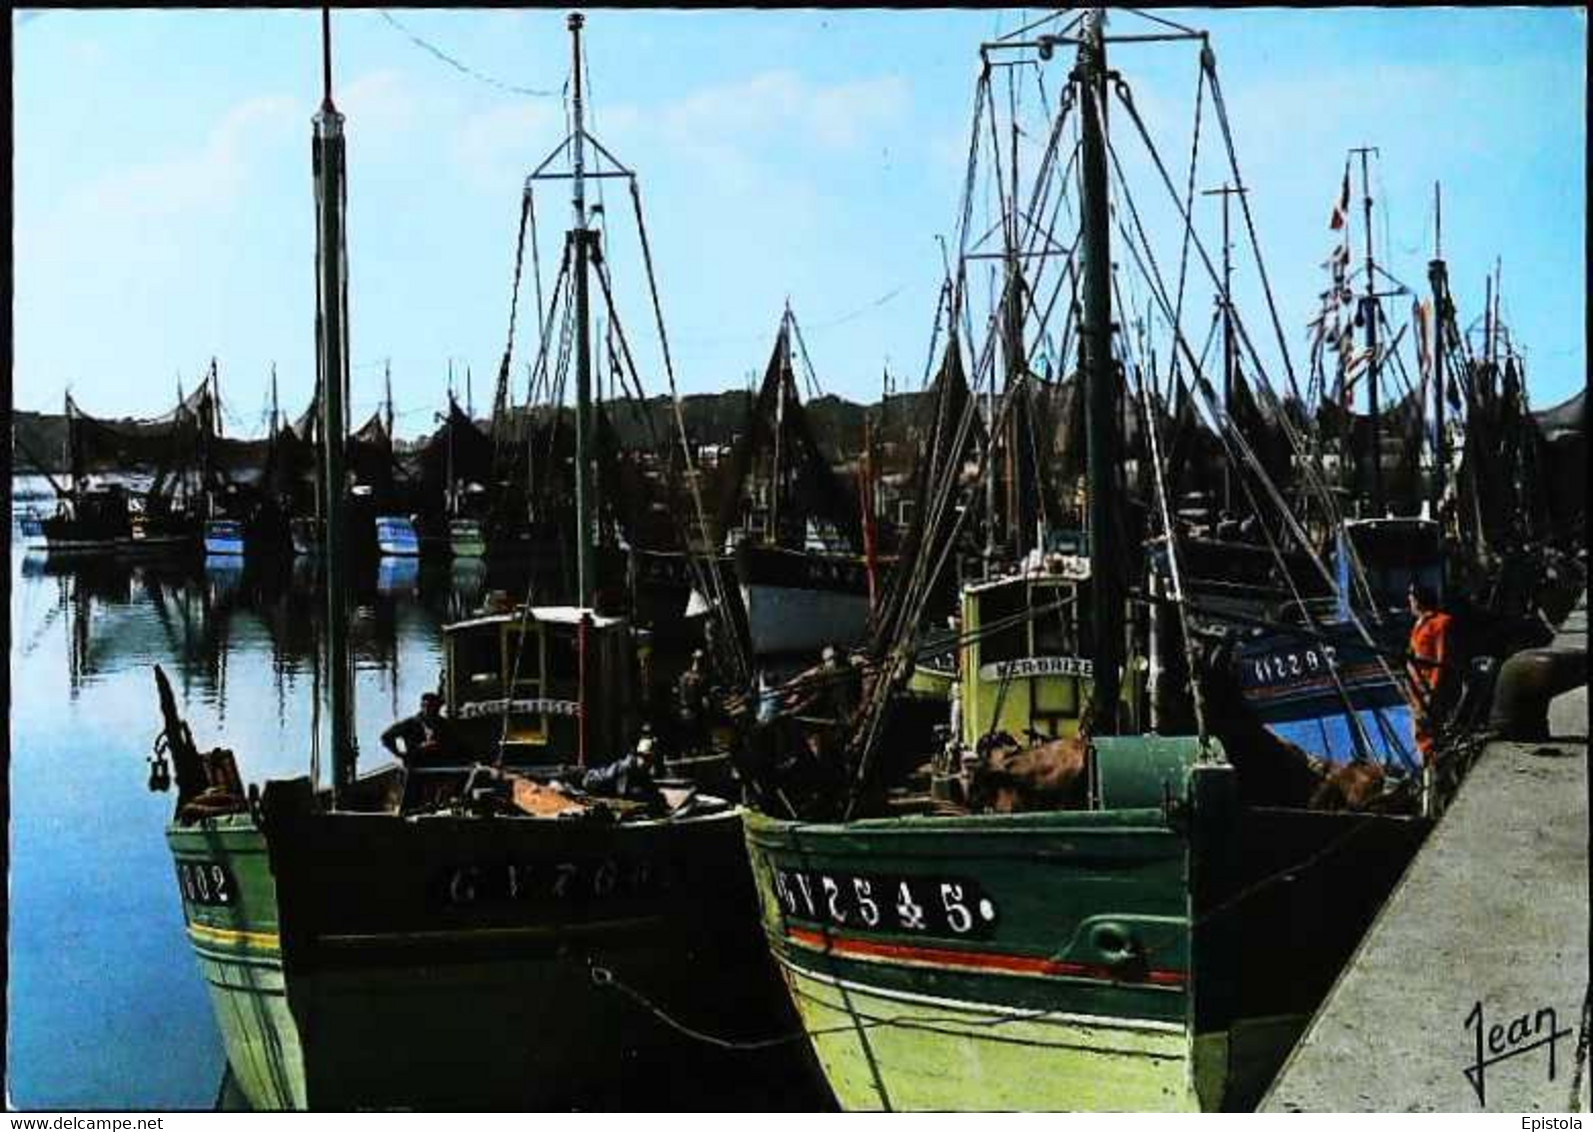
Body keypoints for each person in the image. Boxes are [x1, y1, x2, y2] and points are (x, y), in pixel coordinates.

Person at [1406, 582, 1454, 764]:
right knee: (1420, 732)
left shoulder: (1440, 623)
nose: (1409, 602)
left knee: (1430, 734)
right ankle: (1428, 769)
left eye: (1411, 598)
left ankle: (1436, 771)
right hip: (1416, 689)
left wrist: (1432, 691)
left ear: (1418, 600)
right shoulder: (1418, 624)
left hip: (1430, 688)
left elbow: (1441, 661)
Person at [579, 735, 665, 808]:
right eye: (646, 758)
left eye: (651, 760)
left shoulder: (641, 770)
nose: (649, 763)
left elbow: (649, 786)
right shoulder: (624, 768)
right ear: (636, 755)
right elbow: (624, 794)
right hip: (590, 783)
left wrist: (657, 798)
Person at [381, 692, 460, 766]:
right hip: (416, 767)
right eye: (425, 706)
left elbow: (456, 744)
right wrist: (401, 755)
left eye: (431, 706)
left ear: (437, 708)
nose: (428, 709)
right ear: (421, 706)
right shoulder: (411, 724)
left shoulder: (444, 725)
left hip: (440, 766)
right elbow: (386, 737)